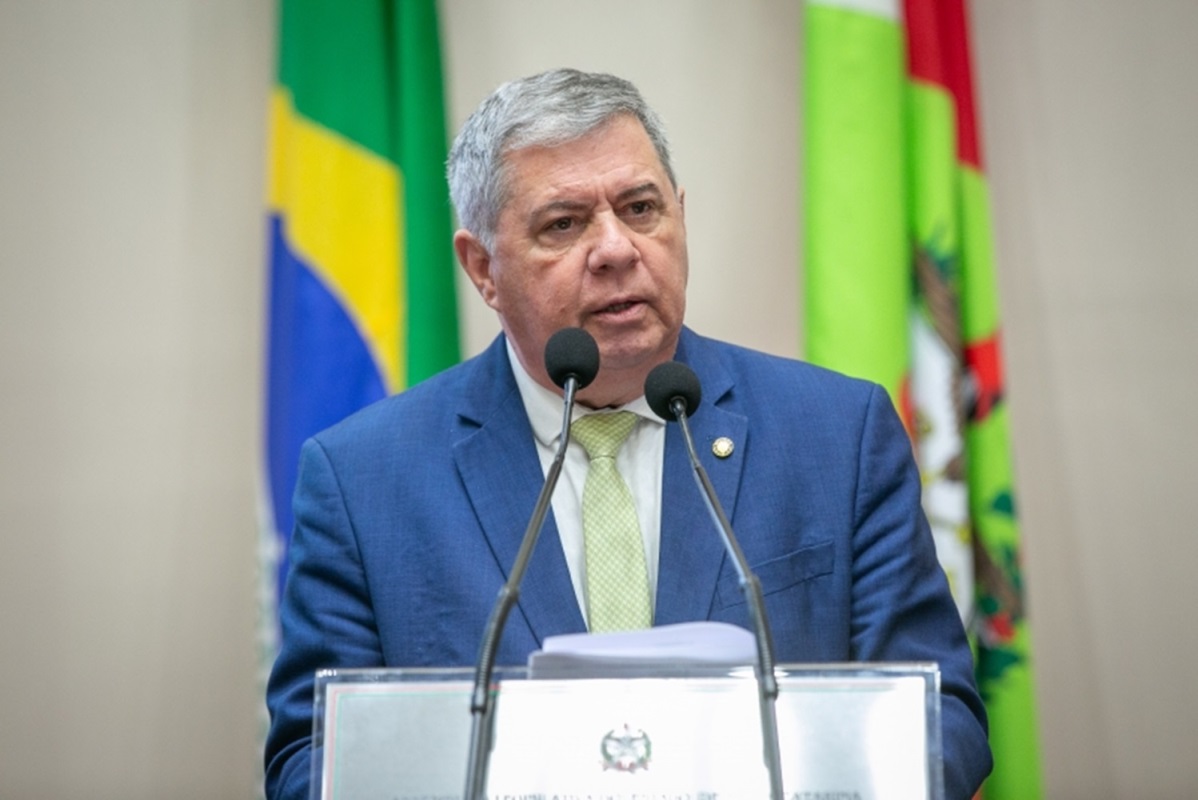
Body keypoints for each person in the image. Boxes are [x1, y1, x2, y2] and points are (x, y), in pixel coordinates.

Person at [264, 68, 992, 799]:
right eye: (563, 224)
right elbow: (313, 760)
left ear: (680, 216)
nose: (615, 248)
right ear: (483, 268)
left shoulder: (837, 434)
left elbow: (940, 718)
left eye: (641, 208)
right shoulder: (362, 480)